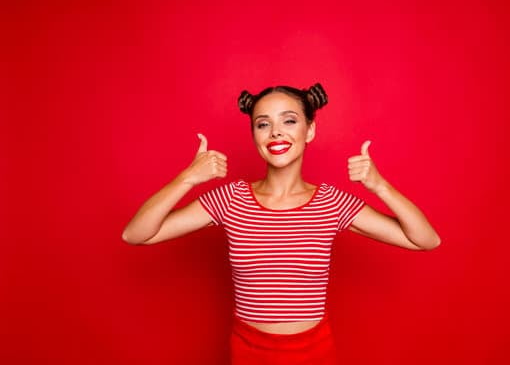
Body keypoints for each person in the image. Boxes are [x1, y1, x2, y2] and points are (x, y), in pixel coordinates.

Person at [121, 83, 441, 364]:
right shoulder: (231, 199)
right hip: (249, 352)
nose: (275, 132)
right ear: (255, 135)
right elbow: (136, 233)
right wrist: (187, 177)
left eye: (289, 120)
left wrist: (380, 186)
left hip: (313, 352)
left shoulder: (331, 203)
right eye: (263, 124)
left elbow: (426, 240)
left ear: (310, 130)